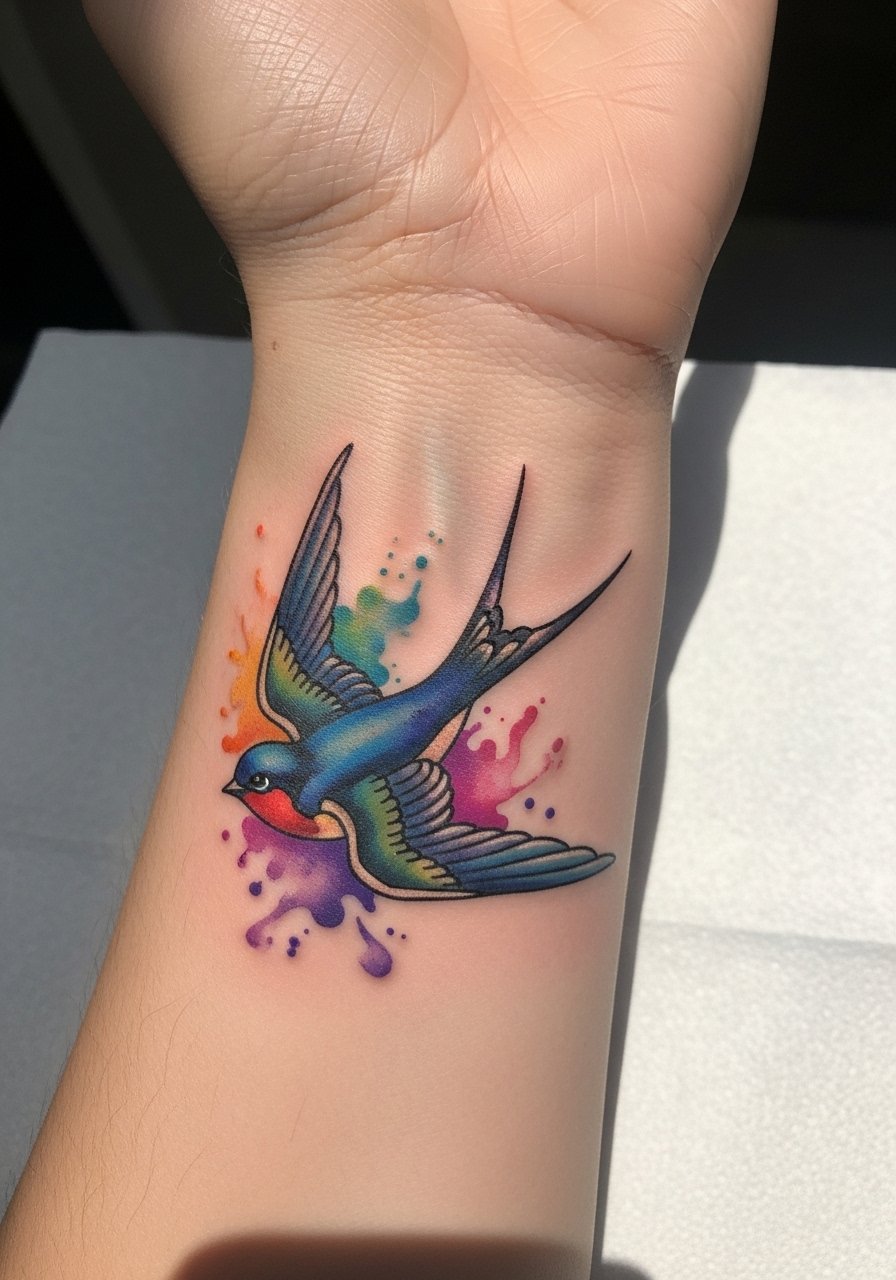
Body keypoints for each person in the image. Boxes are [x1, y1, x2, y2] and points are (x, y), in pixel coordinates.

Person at [0, 3, 776, 1277]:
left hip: (425, 692)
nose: (257, 787)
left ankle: (492, 634)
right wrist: (464, 328)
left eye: (256, 781)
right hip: (430, 694)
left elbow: (311, 602)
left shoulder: (309, 727)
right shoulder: (349, 794)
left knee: (376, 744)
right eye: (258, 782)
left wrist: (448, 331)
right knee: (415, 837)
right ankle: (492, 633)